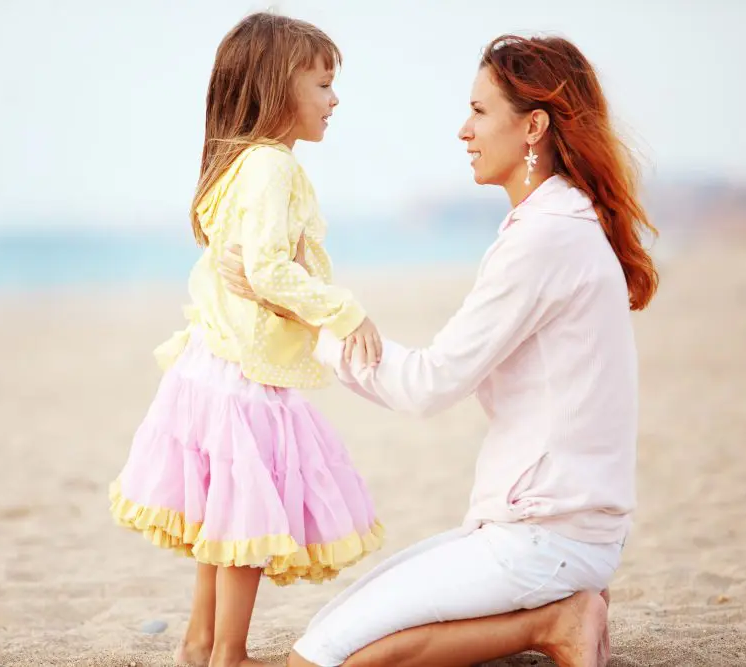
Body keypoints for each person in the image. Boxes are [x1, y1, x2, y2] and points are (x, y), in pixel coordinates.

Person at [218, 33, 659, 667]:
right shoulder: (559, 225)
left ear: (533, 126)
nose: (463, 130)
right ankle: (557, 609)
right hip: (554, 531)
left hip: (545, 537)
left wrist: (305, 313)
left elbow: (425, 386)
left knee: (315, 661)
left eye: (480, 111)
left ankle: (558, 621)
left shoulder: (543, 241)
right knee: (327, 631)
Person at [107, 12, 387, 667]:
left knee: (225, 520)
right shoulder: (272, 169)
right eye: (321, 85)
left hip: (211, 364)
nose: (334, 99)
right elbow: (266, 269)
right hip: (245, 375)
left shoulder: (240, 164)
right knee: (248, 526)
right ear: (274, 87)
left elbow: (244, 265)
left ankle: (199, 643)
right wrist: (344, 311)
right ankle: (229, 653)